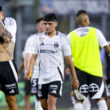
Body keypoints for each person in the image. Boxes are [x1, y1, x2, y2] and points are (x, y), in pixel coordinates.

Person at [24, 13, 79, 110]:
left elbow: (68, 59)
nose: (46, 26)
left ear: (56, 24)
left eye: (49, 24)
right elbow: (33, 57)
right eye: (45, 24)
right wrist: (29, 70)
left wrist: (74, 77)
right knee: (43, 104)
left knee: (51, 100)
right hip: (41, 77)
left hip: (56, 76)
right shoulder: (38, 38)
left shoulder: (62, 39)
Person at [67, 10, 110, 110]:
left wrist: (69, 69)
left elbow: (66, 56)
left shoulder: (70, 36)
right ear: (86, 20)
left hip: (78, 73)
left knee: (79, 100)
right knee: (100, 100)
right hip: (95, 72)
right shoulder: (96, 32)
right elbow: (108, 50)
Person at [18, 17, 44, 110]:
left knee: (45, 96)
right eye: (42, 24)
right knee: (28, 95)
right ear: (37, 26)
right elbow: (26, 56)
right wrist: (24, 71)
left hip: (46, 72)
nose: (44, 26)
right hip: (33, 72)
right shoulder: (31, 39)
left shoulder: (51, 38)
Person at [0, 5, 18, 110]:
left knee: (11, 100)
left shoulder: (10, 22)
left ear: (2, 14)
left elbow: (6, 38)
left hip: (7, 64)